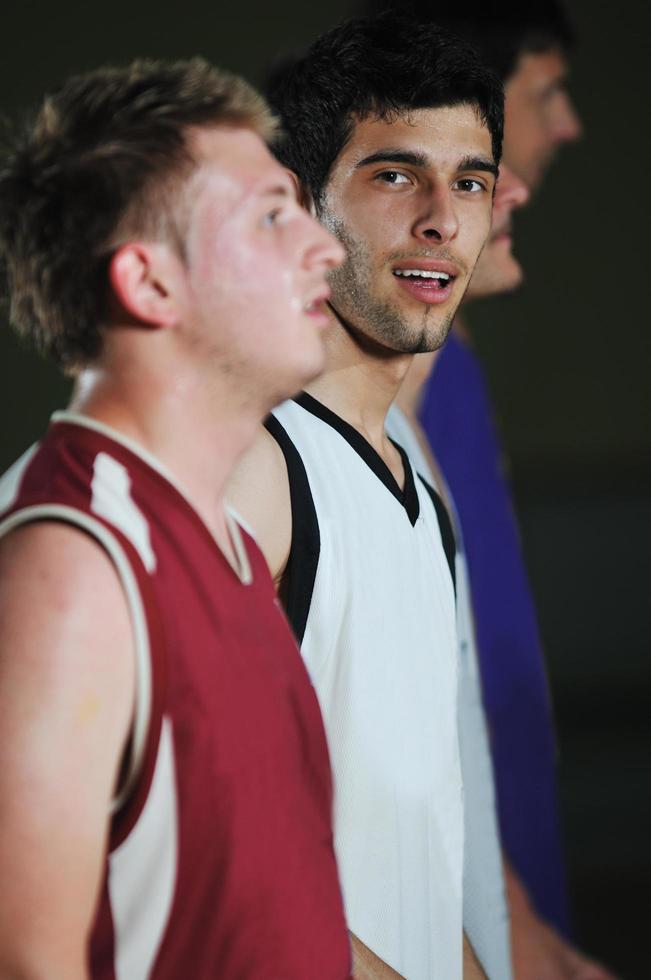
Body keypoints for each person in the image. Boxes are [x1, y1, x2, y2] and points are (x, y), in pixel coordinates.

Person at [0, 58, 352, 978]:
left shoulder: (225, 539)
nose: (324, 247)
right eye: (272, 216)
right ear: (150, 285)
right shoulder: (70, 567)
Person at [228, 15, 504, 979]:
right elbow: (177, 860)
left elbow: (411, 877)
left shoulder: (415, 493)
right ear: (303, 209)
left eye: (468, 180)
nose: (441, 217)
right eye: (394, 175)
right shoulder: (253, 471)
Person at [379, 2, 617, 977]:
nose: (567, 126)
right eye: (545, 89)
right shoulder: (364, 413)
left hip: (503, 835)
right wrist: (504, 915)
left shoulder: (447, 369)